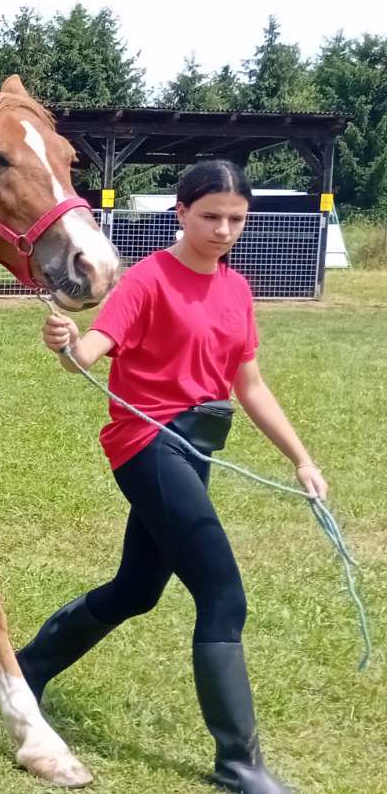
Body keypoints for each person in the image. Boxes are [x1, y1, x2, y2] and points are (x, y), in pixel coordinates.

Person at [18, 159, 327, 794]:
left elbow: (249, 384)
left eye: (235, 219)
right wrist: (66, 342)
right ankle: (239, 764)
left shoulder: (237, 290)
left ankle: (25, 671)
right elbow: (88, 354)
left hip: (201, 447)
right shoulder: (148, 281)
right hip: (149, 444)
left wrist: (300, 457)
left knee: (138, 589)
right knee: (222, 594)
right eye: (209, 216)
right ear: (181, 212)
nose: (223, 229)